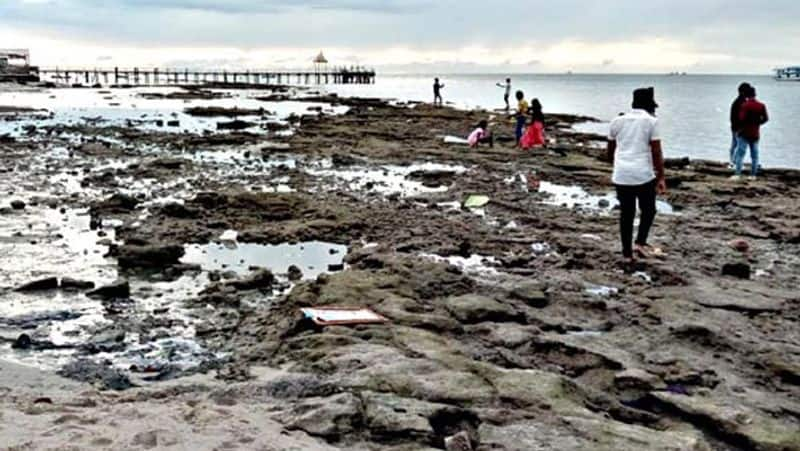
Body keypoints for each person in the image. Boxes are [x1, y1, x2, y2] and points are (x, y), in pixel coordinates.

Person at [607, 87, 667, 263]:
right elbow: (656, 152)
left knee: (627, 214)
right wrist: (661, 176)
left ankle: (627, 253)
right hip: (643, 175)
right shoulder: (651, 122)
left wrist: (617, 165)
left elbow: (610, 151)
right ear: (649, 106)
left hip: (622, 174)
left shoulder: (617, 121)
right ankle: (640, 242)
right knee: (649, 210)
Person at [733, 85, 768, 180]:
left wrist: (739, 129)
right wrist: (758, 123)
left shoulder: (745, 106)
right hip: (755, 133)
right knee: (755, 155)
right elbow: (766, 118)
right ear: (755, 95)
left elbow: (741, 119)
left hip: (744, 132)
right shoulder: (761, 105)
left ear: (747, 95)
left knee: (740, 154)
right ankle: (753, 175)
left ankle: (737, 174)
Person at [729, 82, 751, 166]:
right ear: (743, 92)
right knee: (739, 146)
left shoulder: (737, 101)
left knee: (735, 145)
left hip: (735, 126)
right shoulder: (742, 102)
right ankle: (735, 162)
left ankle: (732, 161)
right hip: (739, 127)